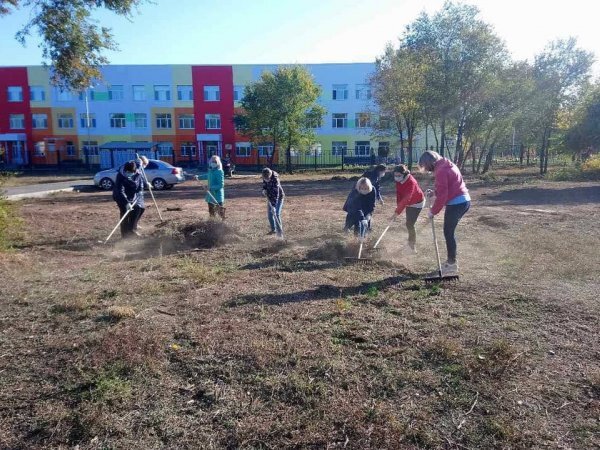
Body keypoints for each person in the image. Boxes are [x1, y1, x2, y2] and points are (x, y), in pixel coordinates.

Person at [419, 150, 471, 276]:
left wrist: (433, 211)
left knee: (448, 232)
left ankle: (451, 264)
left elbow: (443, 195)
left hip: (457, 203)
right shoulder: (447, 164)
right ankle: (451, 262)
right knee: (449, 232)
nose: (426, 169)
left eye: (425, 166)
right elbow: (448, 186)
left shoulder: (441, 170)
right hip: (464, 200)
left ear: (429, 163)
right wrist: (434, 192)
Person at [393, 164, 425, 252]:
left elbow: (407, 198)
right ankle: (410, 242)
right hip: (409, 203)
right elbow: (399, 195)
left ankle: (412, 246)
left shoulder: (411, 182)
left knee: (410, 224)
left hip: (417, 203)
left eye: (399, 175)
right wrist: (397, 210)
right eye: (395, 175)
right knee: (408, 223)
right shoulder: (399, 181)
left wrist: (397, 211)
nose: (396, 177)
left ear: (404, 174)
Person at [112, 160, 145, 238]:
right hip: (120, 196)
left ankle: (132, 229)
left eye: (132, 173)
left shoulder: (137, 171)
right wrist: (126, 203)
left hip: (132, 194)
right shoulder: (120, 176)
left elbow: (140, 181)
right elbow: (120, 191)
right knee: (125, 213)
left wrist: (140, 190)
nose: (130, 174)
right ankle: (125, 235)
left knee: (139, 208)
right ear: (125, 171)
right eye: (128, 172)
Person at [262, 167, 285, 237]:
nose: (266, 180)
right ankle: (273, 229)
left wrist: (274, 206)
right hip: (270, 196)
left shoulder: (275, 180)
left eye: (268, 179)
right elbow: (265, 184)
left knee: (276, 214)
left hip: (279, 198)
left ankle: (280, 232)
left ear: (270, 175)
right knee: (270, 215)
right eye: (265, 178)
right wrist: (264, 190)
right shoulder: (265, 175)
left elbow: (276, 194)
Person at [205, 155, 225, 219]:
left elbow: (221, 185)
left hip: (217, 195)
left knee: (220, 212)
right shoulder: (210, 171)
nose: (213, 163)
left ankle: (223, 225)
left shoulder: (219, 171)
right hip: (210, 195)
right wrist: (198, 177)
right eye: (212, 161)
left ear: (218, 163)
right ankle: (212, 225)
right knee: (211, 212)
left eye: (215, 161)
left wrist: (211, 188)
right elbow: (207, 176)